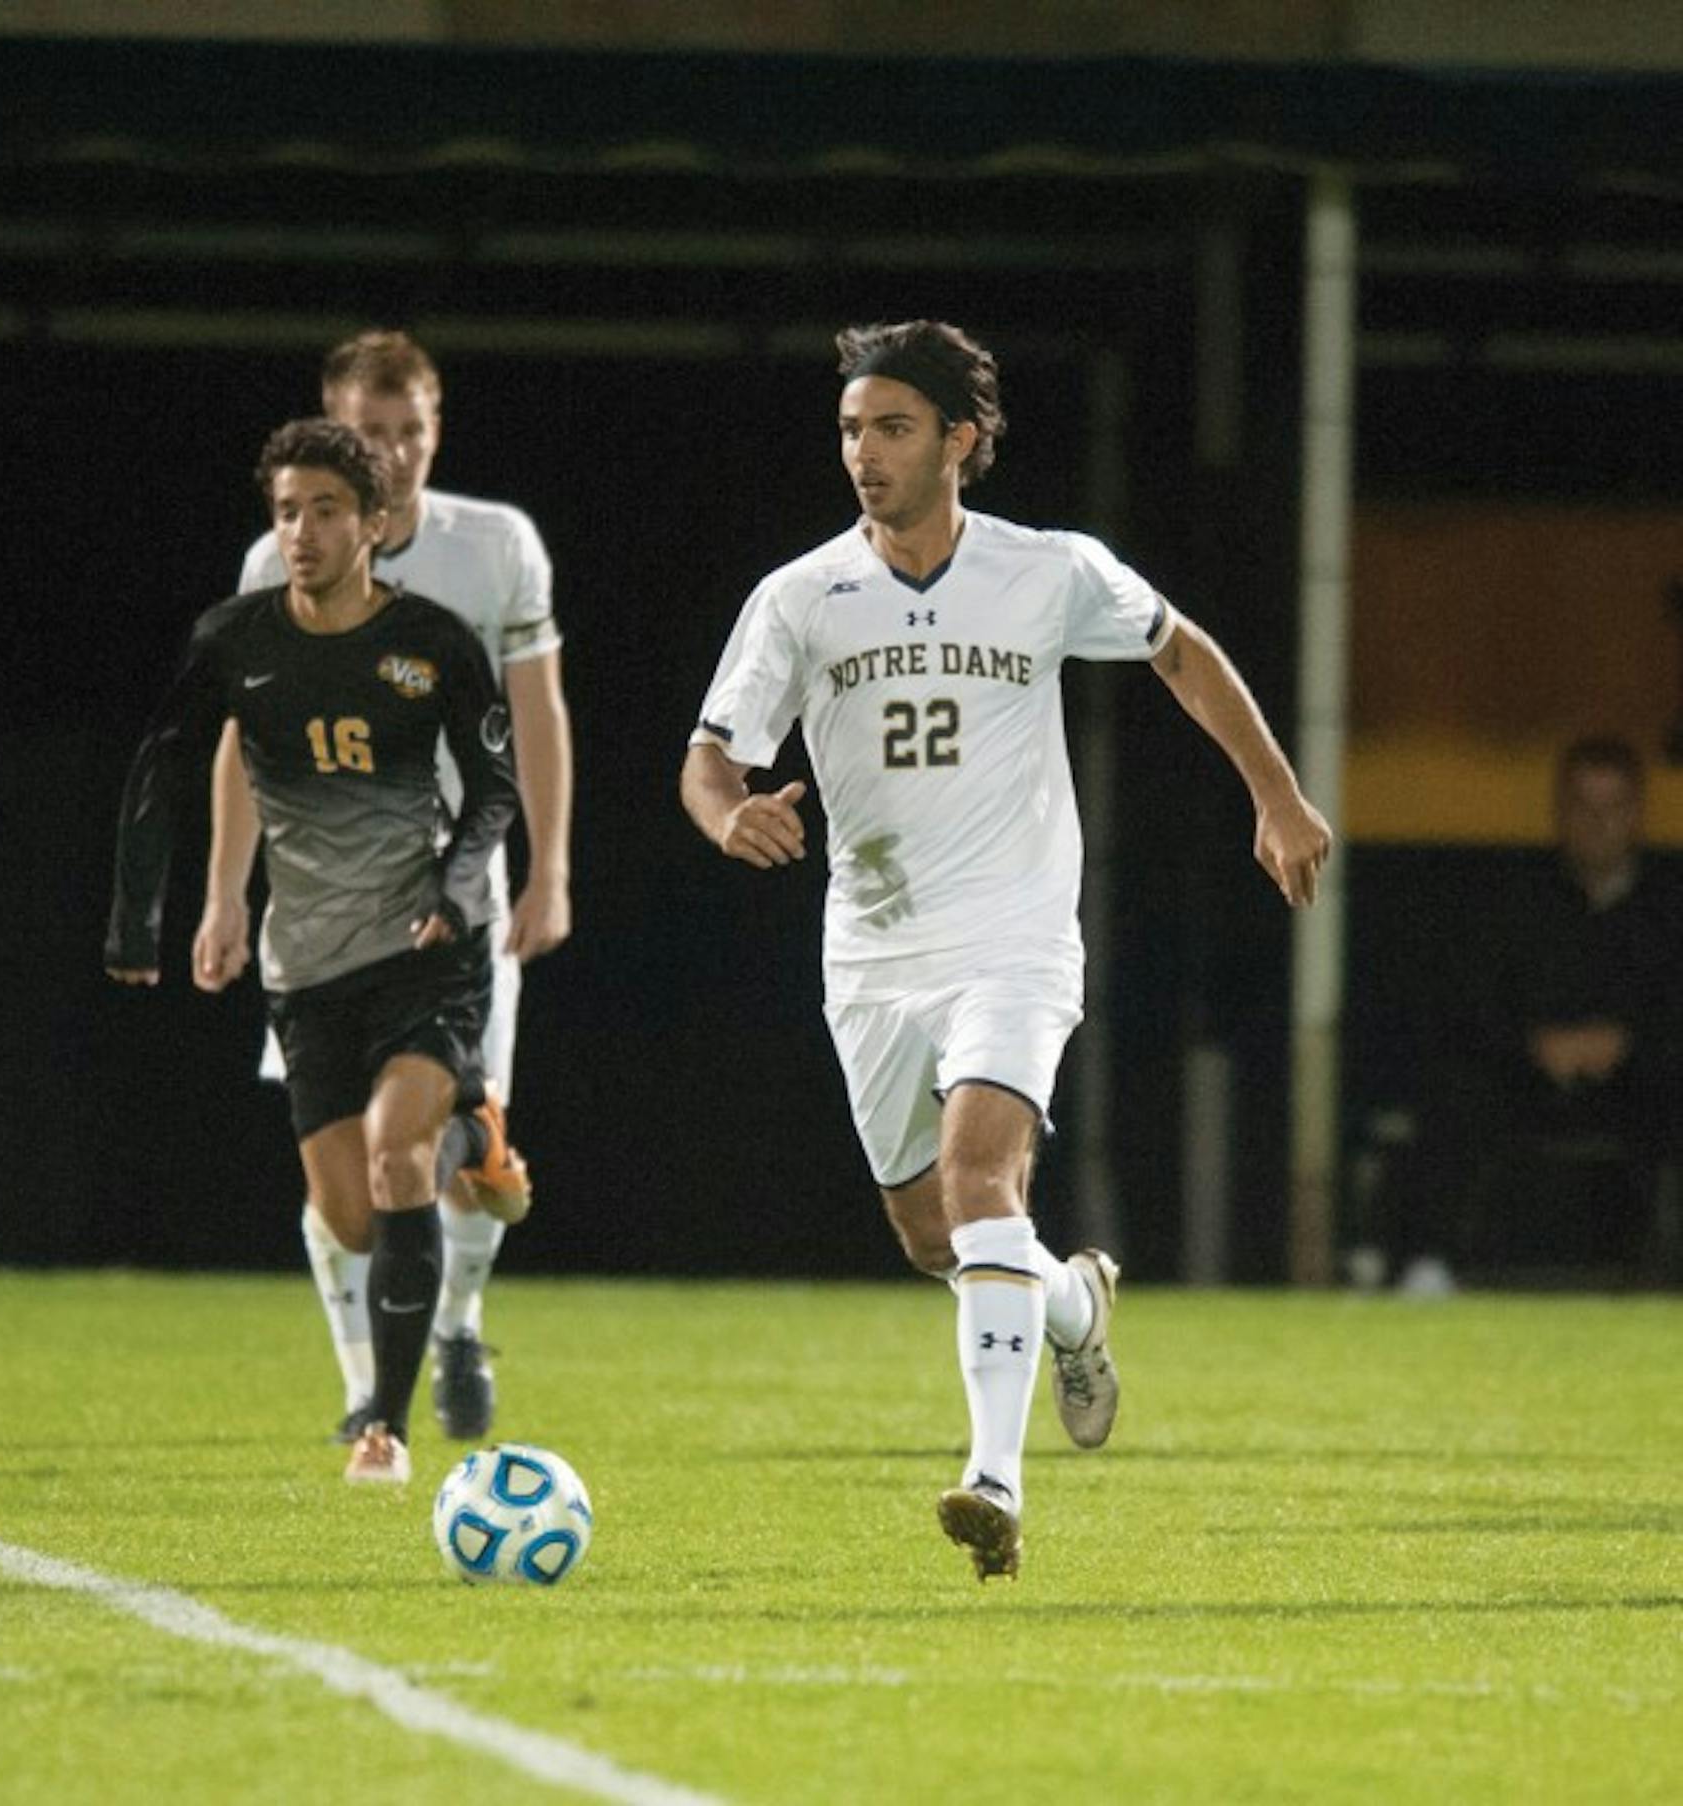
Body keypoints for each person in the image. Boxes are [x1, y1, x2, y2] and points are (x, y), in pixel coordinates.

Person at [679, 319, 1332, 1581]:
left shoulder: (1047, 570)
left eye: (891, 428)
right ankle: (1076, 1304)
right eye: (851, 431)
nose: (863, 454)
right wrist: (730, 817)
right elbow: (708, 759)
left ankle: (993, 1482)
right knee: (933, 1235)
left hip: (1014, 936)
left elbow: (1179, 651)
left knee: (984, 1181)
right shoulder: (800, 597)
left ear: (959, 443)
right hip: (871, 953)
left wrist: (1275, 794)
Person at [107, 419, 519, 1484]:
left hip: (423, 950)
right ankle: (474, 1145)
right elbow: (164, 760)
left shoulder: (430, 642)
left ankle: (380, 1423)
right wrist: (166, 913)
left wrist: (455, 880)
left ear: (373, 525)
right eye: (286, 511)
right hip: (306, 969)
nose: (301, 531)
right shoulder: (236, 642)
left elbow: (494, 790)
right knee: (351, 1214)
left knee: (391, 1159)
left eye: (325, 510)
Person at [197, 330, 572, 1447]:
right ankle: (371, 1376)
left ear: (435, 432)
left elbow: (536, 712)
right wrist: (225, 895)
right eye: (372, 433)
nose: (395, 455)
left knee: (431, 1166)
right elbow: (245, 743)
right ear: (332, 424)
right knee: (346, 1190)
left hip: (452, 892)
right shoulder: (280, 561)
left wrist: (547, 870)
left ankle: (441, 1338)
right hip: (320, 906)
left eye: (412, 434)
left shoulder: (494, 546)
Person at [1451, 736, 1680, 1274]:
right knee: (1455, 1092)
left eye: (1614, 807)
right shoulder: (1518, 904)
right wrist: (1535, 1046)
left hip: (1642, 1089)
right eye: (1583, 806)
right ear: (1560, 811)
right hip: (1531, 1082)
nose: (1598, 823)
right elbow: (1476, 1010)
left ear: (1638, 814)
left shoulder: (1669, 908)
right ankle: (1432, 1265)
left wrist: (1628, 1044)